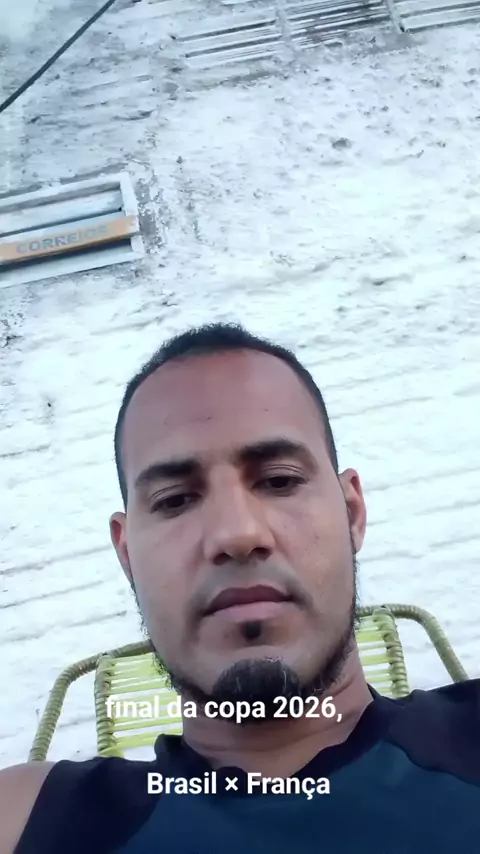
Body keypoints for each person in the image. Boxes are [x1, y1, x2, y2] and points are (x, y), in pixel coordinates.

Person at [1, 322, 479, 854]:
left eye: (279, 480)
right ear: (128, 555)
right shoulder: (23, 820)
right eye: (175, 500)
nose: (237, 534)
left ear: (351, 513)